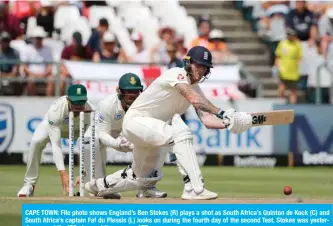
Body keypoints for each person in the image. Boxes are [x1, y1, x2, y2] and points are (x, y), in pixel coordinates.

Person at [85, 46, 252, 200]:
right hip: (135, 121)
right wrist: (223, 113)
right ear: (187, 63)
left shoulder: (196, 89)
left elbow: (207, 119)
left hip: (151, 129)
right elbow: (194, 98)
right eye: (198, 66)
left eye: (204, 68)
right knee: (180, 134)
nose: (201, 71)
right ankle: (194, 188)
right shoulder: (176, 74)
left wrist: (230, 123)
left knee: (139, 178)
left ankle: (96, 186)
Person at [81, 73, 167, 199]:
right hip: (106, 134)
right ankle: (99, 186)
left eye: (135, 91)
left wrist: (132, 141)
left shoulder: (145, 104)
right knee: (89, 140)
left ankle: (146, 189)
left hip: (129, 133)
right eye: (128, 91)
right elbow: (103, 134)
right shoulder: (107, 104)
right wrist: (117, 144)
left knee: (158, 142)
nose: (132, 95)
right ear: (120, 91)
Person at [17, 84, 93, 197]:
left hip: (77, 130)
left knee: (94, 144)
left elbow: (86, 146)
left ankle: (93, 185)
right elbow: (56, 145)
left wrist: (84, 172)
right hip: (55, 127)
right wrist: (63, 175)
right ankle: (29, 184)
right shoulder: (56, 110)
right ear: (68, 99)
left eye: (81, 102)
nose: (78, 106)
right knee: (37, 141)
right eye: (75, 102)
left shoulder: (90, 112)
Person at [274, 28, 302, 104]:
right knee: (281, 87)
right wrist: (276, 66)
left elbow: (300, 58)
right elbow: (278, 56)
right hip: (283, 70)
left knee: (293, 90)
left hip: (293, 71)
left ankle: (292, 106)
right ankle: (281, 104)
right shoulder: (282, 43)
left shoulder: (297, 44)